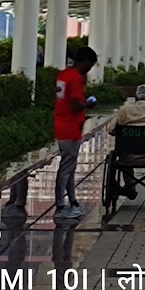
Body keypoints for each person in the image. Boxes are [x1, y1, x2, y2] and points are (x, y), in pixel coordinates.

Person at [53, 47, 98, 219]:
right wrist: (88, 104)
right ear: (85, 63)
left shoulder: (63, 74)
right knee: (66, 169)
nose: (90, 69)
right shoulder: (75, 78)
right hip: (70, 128)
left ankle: (73, 201)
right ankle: (60, 205)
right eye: (90, 65)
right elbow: (75, 105)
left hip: (61, 125)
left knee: (70, 167)